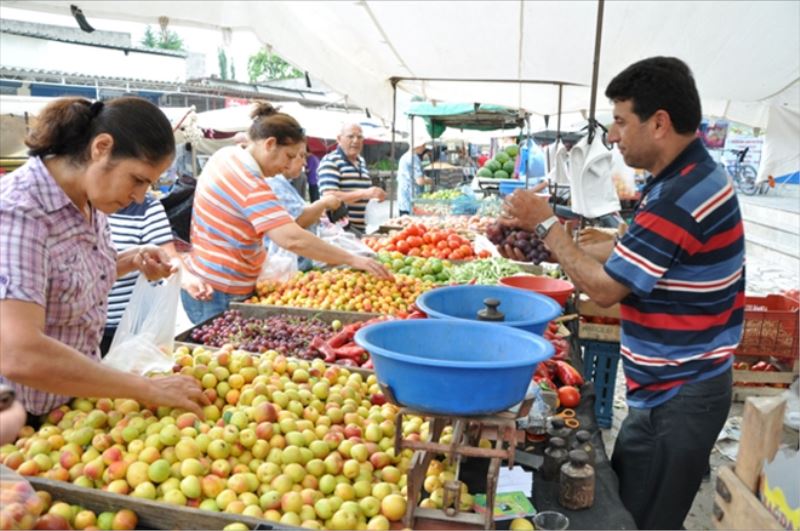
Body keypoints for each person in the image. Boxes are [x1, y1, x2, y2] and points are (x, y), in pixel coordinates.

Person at [501, 57, 743, 530]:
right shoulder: (684, 179)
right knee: (632, 503)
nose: (612, 136)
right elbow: (669, 250)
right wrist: (615, 242)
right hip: (676, 388)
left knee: (640, 520)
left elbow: (606, 291)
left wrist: (547, 225)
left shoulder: (679, 195)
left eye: (619, 121)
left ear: (659, 123)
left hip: (679, 394)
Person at [0, 96, 209, 418]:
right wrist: (149, 389)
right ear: (101, 148)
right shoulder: (19, 214)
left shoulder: (88, 204)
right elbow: (18, 353)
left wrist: (130, 260)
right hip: (19, 423)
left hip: (76, 406)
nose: (140, 196)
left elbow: (62, 281)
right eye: (138, 179)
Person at [181, 103, 390, 325]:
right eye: (289, 156)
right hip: (217, 292)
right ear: (270, 144)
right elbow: (292, 238)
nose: (290, 165)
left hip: (207, 277)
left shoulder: (226, 155)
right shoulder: (249, 181)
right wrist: (352, 259)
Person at [102, 193, 213, 355]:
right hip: (89, 323)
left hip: (132, 325)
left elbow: (168, 257)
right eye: (137, 179)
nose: (139, 193)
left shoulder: (146, 207)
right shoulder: (81, 209)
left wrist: (187, 279)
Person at [264, 141, 343, 270]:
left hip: (295, 266)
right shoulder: (274, 183)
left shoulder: (285, 183)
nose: (305, 163)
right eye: (301, 156)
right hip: (283, 267)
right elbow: (298, 222)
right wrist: (323, 203)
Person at [318, 123, 386, 232]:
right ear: (339, 139)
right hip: (340, 230)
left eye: (359, 137)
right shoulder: (331, 161)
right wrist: (365, 193)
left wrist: (375, 196)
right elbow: (329, 197)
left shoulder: (361, 161)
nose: (356, 141)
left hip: (361, 230)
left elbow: (361, 193)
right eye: (351, 136)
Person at [397, 136, 433, 216]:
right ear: (418, 145)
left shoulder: (404, 157)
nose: (424, 148)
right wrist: (430, 181)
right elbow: (420, 181)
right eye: (423, 145)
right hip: (411, 200)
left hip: (403, 200)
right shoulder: (414, 158)